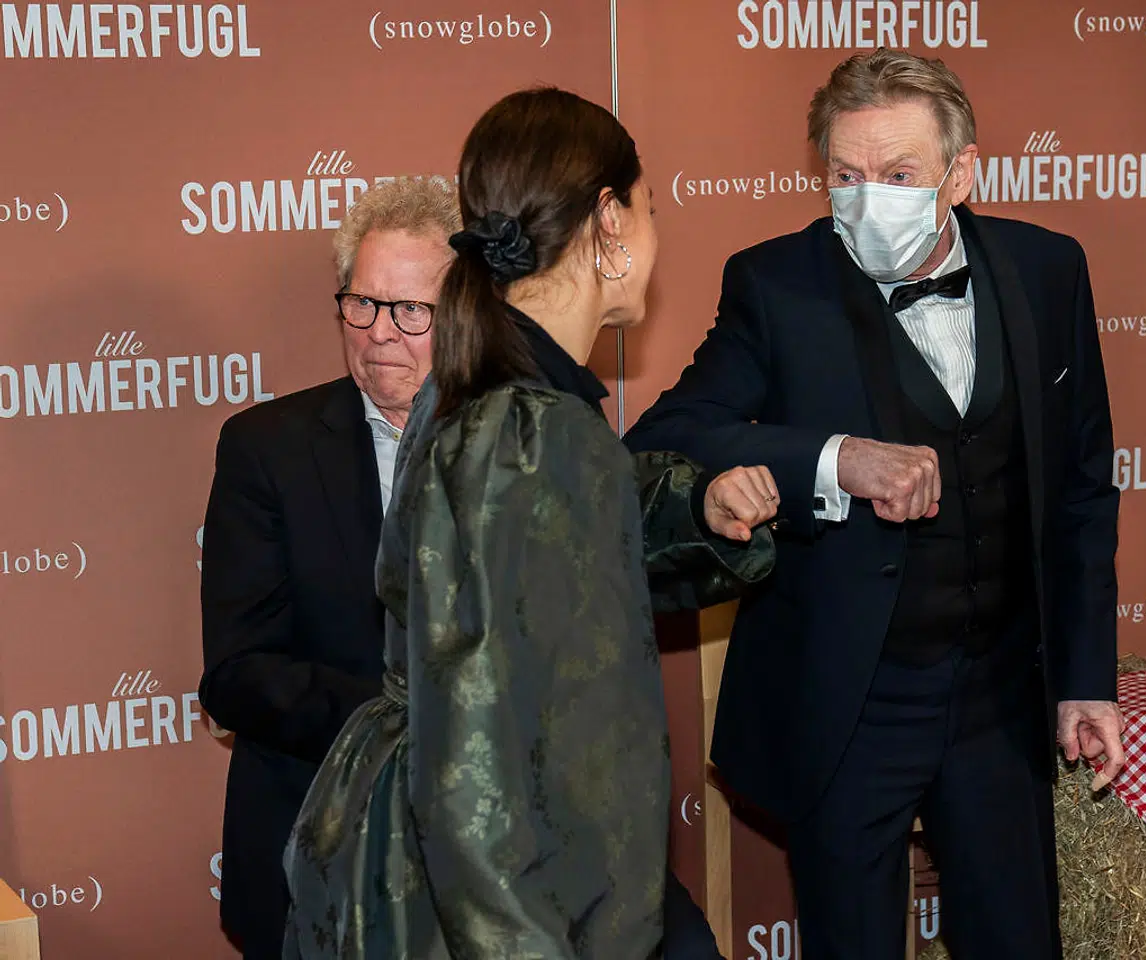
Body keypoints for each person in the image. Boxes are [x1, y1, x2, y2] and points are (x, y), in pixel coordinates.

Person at [623, 49, 1126, 960]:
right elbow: (668, 434)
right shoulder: (777, 284)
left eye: (898, 175)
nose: (867, 199)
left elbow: (1086, 484)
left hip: (999, 694)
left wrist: (1086, 675)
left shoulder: (1049, 269)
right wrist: (833, 459)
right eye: (845, 177)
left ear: (961, 172)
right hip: (851, 697)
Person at [281, 87, 778, 959]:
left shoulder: (504, 397)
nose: (658, 239)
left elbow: (571, 561)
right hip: (512, 903)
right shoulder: (524, 426)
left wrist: (699, 507)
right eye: (651, 209)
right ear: (608, 221)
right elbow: (472, 762)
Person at [198, 176, 460, 959]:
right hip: (317, 853)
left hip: (486, 869)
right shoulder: (266, 450)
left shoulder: (521, 439)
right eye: (362, 303)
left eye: (412, 310)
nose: (380, 333)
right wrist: (419, 729)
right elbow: (239, 673)